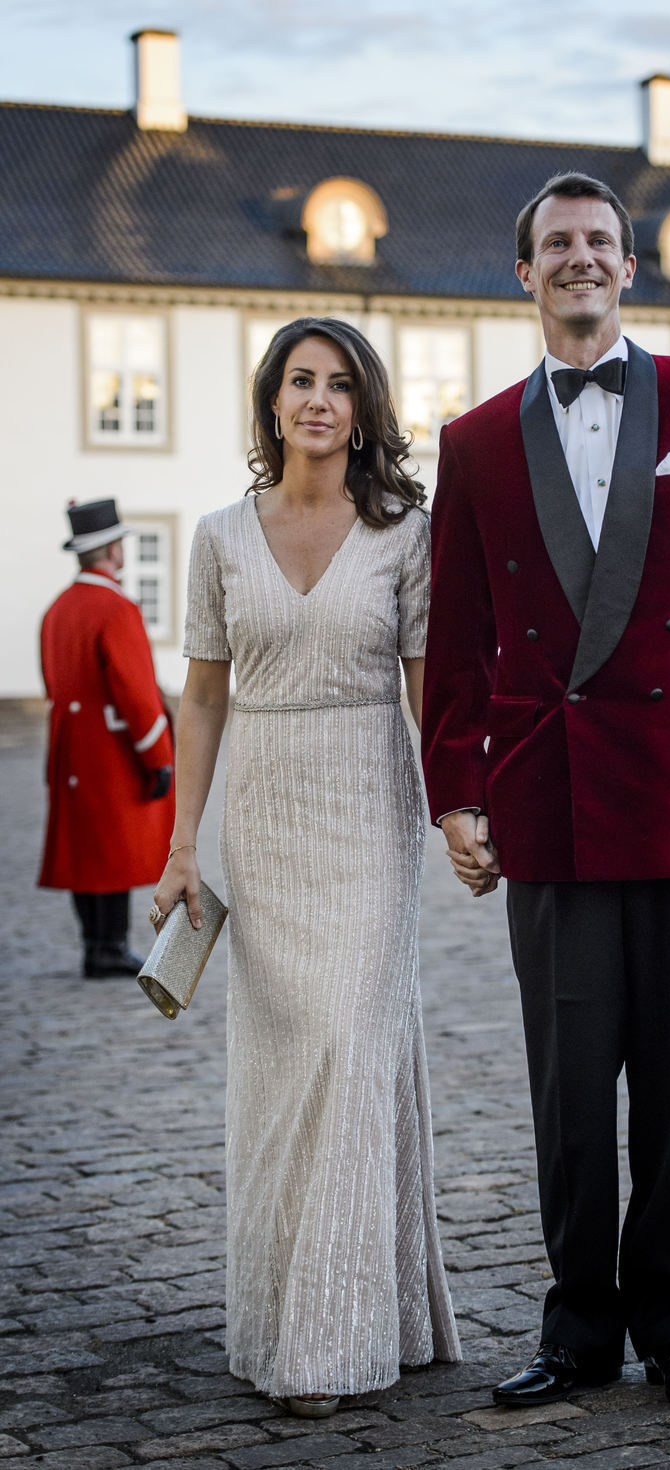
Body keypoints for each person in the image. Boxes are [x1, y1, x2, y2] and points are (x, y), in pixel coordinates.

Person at [421, 173, 670, 1408]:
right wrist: (454, 791)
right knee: (570, 1083)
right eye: (555, 245)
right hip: (552, 793)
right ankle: (578, 1325)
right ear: (520, 273)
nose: (579, 259)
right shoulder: (474, 443)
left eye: (599, 242)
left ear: (627, 268)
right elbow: (463, 634)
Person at [152, 317, 460, 1417]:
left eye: (339, 385)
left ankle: (329, 1342)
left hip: (370, 810)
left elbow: (428, 687)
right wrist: (185, 842)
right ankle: (316, 1304)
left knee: (344, 1040)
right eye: (300, 381)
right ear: (271, 402)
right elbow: (201, 695)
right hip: (267, 818)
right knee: (287, 1072)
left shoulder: (404, 534)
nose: (319, 400)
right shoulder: (218, 536)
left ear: (364, 408)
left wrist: (457, 805)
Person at [39, 498, 174, 978]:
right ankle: (111, 947)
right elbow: (137, 694)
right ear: (112, 550)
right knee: (113, 851)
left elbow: (54, 685)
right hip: (112, 753)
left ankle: (94, 944)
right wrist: (158, 756)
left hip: (71, 751)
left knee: (86, 851)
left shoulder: (57, 610)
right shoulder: (116, 608)